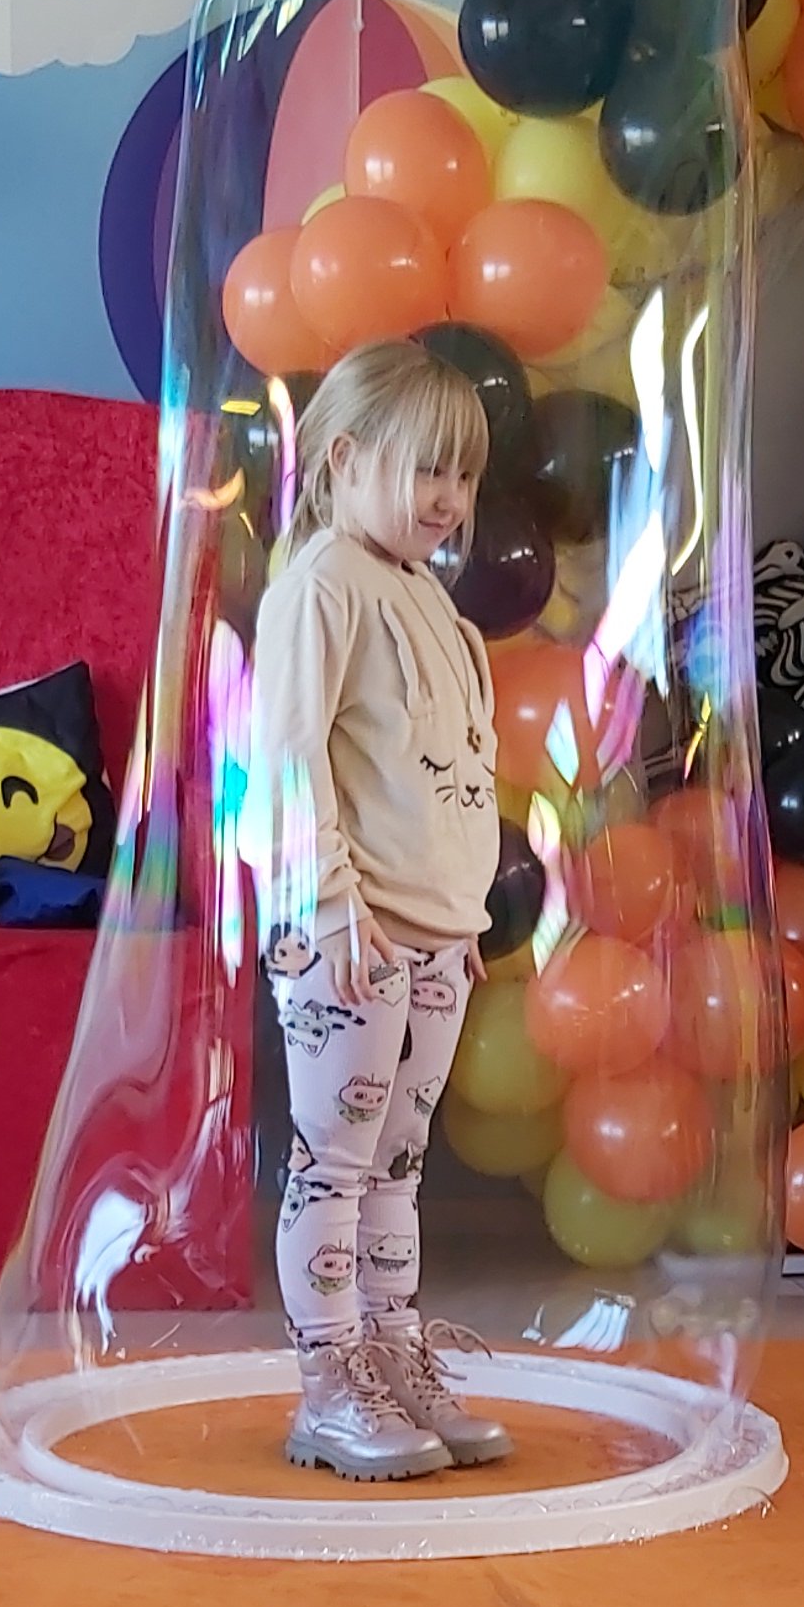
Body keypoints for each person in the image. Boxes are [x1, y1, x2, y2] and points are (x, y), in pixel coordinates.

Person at [248, 335, 510, 1480]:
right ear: (345, 459)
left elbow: (446, 777)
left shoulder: (427, 599)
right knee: (336, 1167)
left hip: (430, 937)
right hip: (348, 934)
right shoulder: (321, 585)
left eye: (464, 475)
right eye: (425, 469)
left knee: (398, 1168)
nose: (448, 498)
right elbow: (286, 757)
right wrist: (332, 906)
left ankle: (393, 1359)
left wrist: (461, 918)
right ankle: (329, 1387)